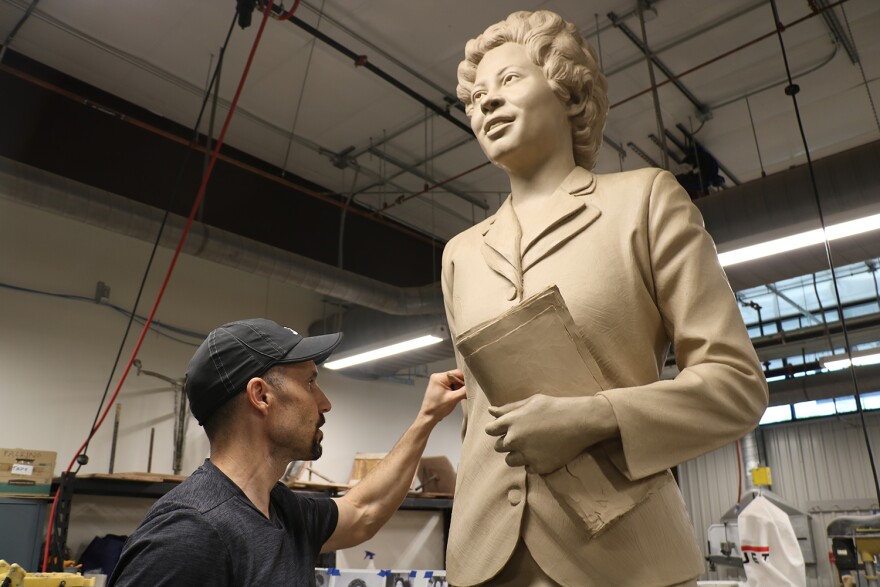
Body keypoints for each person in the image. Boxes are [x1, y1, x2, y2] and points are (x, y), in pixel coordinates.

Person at [441, 10, 768, 587]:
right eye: (475, 97)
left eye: (510, 80)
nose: (486, 104)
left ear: (569, 93)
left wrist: (594, 416)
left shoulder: (643, 202)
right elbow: (476, 418)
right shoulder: (460, 255)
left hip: (625, 558)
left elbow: (734, 385)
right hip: (484, 558)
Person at [109, 318, 466, 586]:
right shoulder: (189, 535)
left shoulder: (278, 508)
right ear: (261, 395)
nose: (325, 402)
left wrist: (427, 418)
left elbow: (363, 512)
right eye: (310, 383)